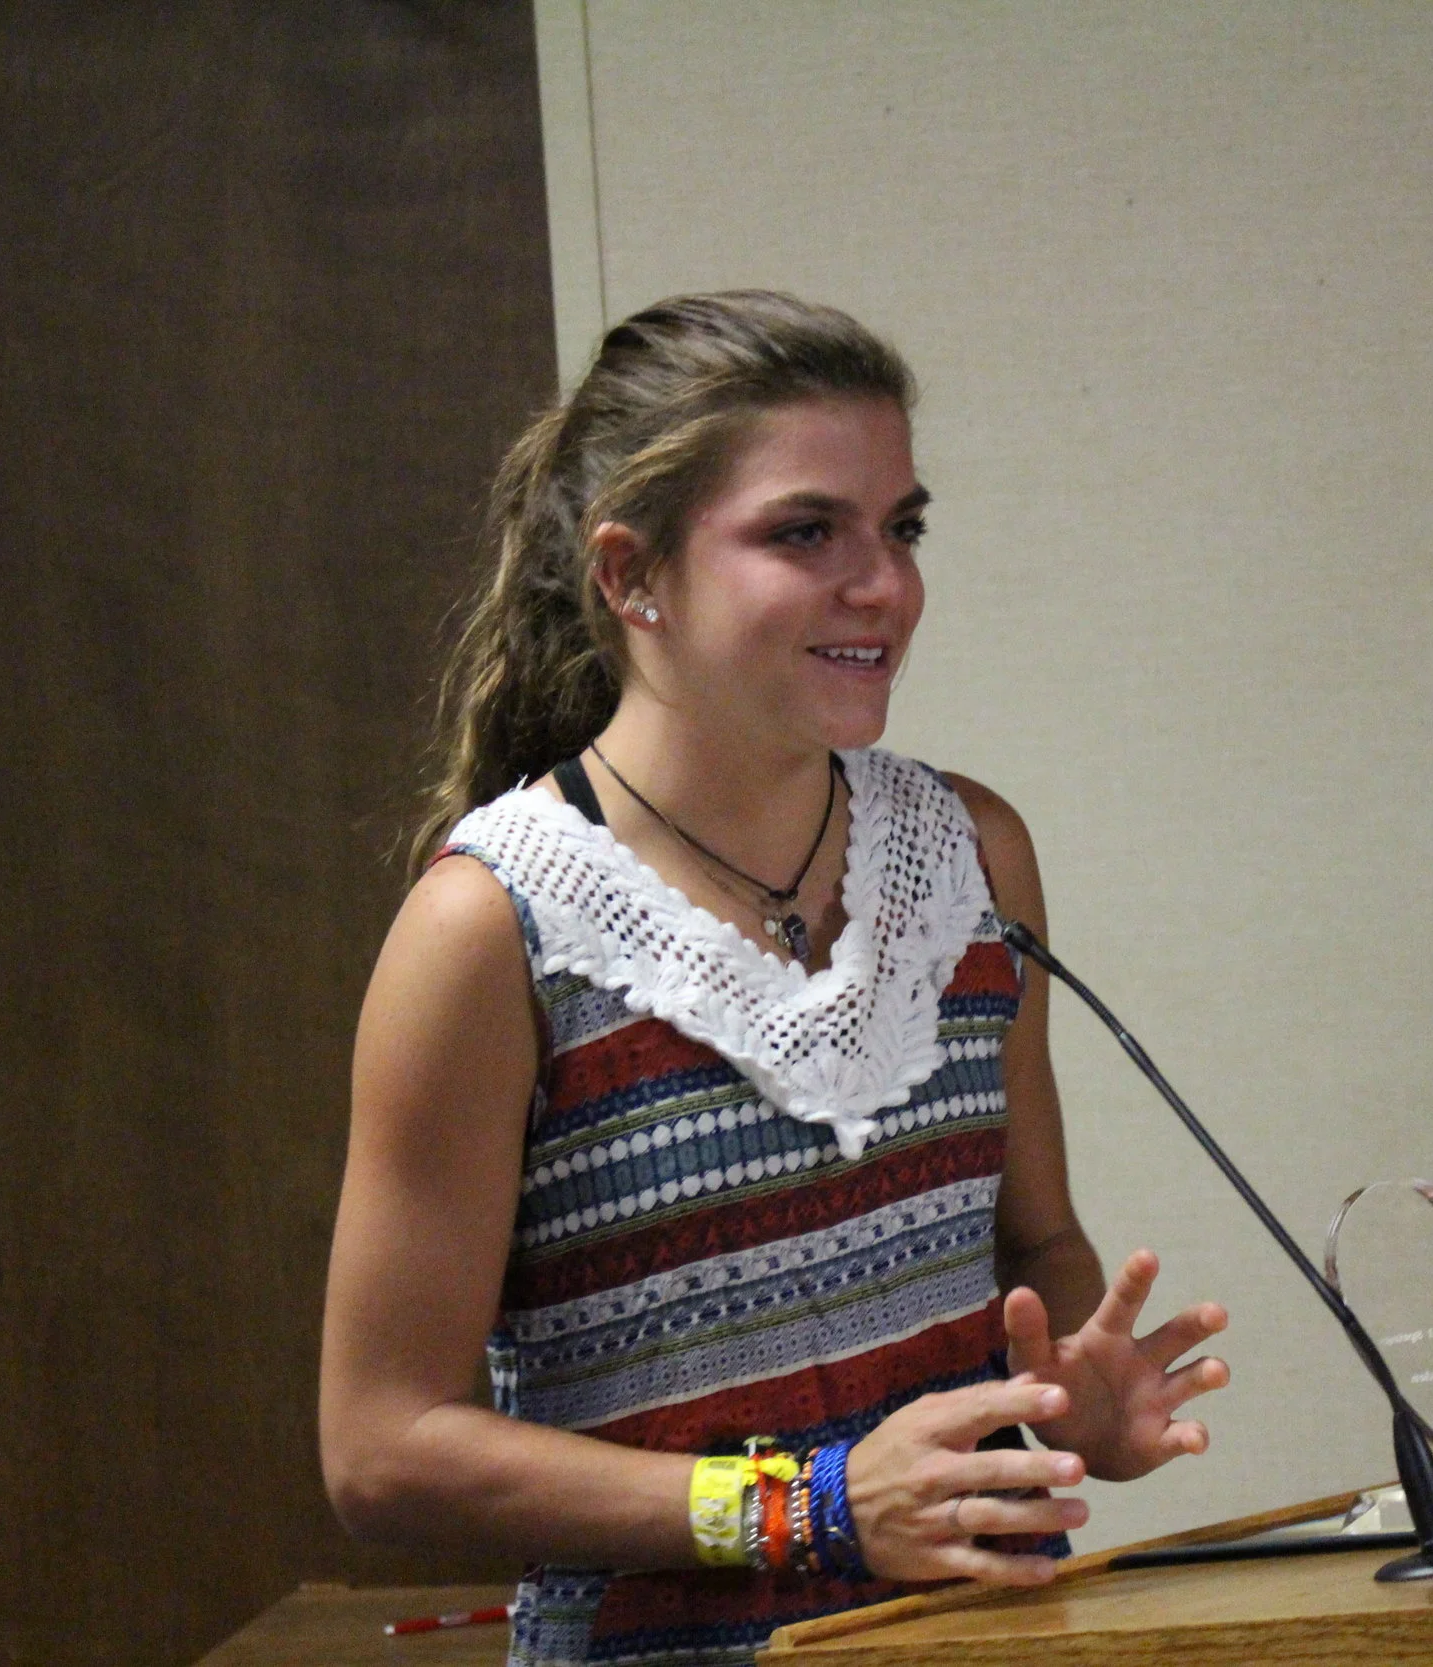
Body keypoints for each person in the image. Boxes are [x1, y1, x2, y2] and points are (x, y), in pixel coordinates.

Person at [318, 291, 1230, 1666]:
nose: (884, 586)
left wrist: (1063, 1395)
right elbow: (383, 1449)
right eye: (807, 532)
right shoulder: (490, 925)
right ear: (632, 574)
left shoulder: (973, 850)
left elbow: (1036, 1246)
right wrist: (804, 1507)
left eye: (902, 528)